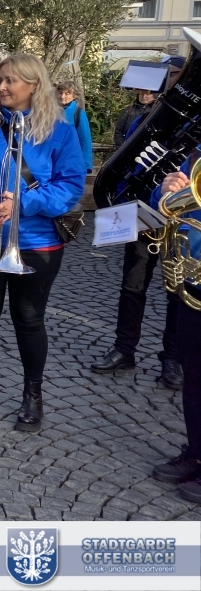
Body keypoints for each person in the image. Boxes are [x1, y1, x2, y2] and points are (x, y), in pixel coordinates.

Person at [0, 54, 85, 431]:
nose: (2, 86)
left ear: (34, 85)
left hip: (35, 242)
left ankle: (32, 395)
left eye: (11, 80)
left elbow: (70, 186)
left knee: (29, 318)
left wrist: (22, 202)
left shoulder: (59, 131)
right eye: (0, 80)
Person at [90, 54, 187, 388]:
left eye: (177, 73)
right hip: (144, 210)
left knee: (178, 291)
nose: (172, 79)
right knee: (133, 284)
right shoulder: (147, 118)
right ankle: (124, 348)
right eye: (169, 74)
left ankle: (173, 359)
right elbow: (126, 161)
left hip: (182, 217)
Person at [151, 155, 201, 501]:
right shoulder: (198, 152)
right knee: (194, 373)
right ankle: (196, 452)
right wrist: (165, 189)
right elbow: (167, 202)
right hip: (195, 280)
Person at [56, 81, 93, 173]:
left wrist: (85, 164)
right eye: (60, 93)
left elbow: (85, 140)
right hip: (52, 160)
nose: (62, 96)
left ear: (74, 96)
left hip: (71, 161)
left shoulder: (78, 113)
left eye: (67, 93)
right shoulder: (50, 111)